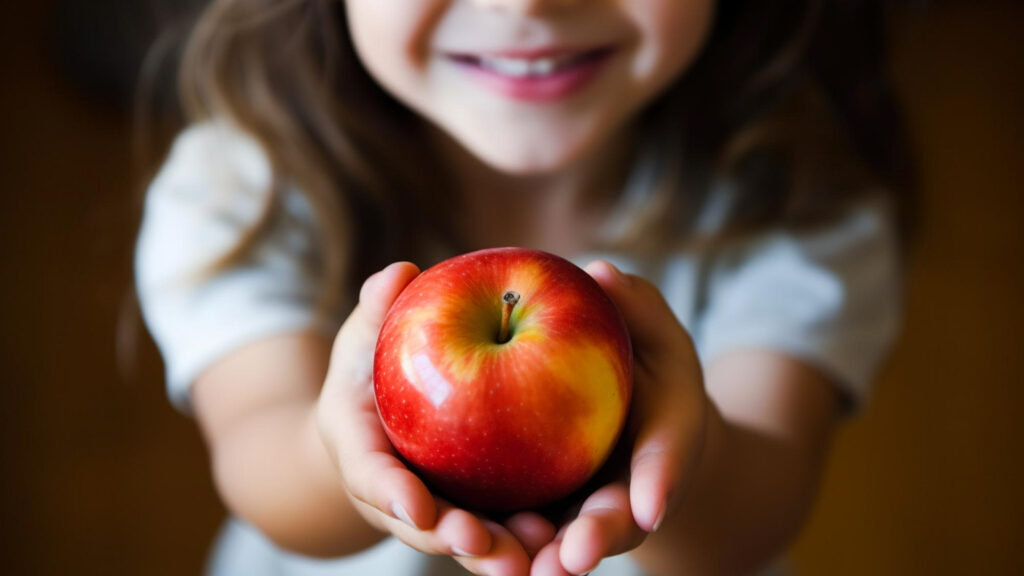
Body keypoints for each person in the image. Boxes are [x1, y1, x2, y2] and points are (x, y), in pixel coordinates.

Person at [134, 1, 907, 574]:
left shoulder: (794, 199)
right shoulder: (242, 192)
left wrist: (679, 463)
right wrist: (337, 456)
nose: (526, 5)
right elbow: (259, 456)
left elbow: (755, 516)